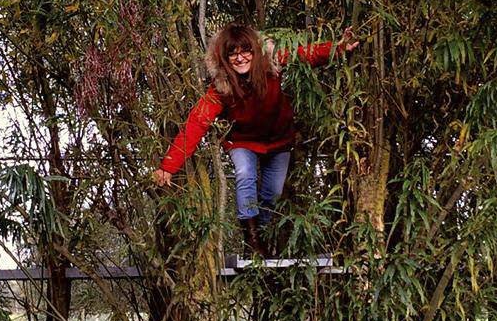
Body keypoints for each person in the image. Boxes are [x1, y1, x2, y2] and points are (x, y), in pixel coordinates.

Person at [153, 22, 358, 256]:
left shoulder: (272, 63)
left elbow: (305, 54)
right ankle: (252, 242)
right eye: (233, 54)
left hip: (279, 140)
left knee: (273, 192)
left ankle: (262, 238)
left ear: (255, 51)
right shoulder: (221, 87)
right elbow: (196, 123)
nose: (240, 58)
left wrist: (338, 48)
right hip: (243, 142)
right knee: (244, 174)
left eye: (245, 51)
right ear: (225, 57)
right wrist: (168, 166)